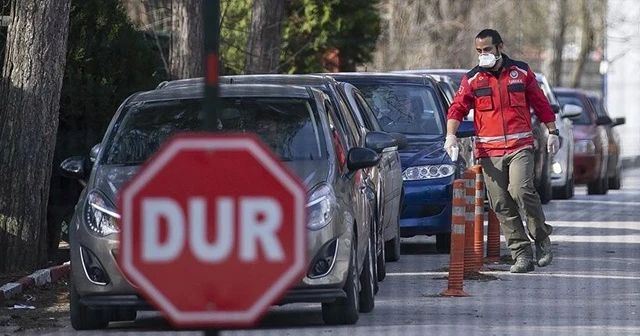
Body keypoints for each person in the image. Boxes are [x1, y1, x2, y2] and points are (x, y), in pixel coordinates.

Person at [444, 29, 560, 273]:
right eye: (478, 51)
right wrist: (450, 136)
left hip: (520, 146)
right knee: (500, 204)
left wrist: (553, 131)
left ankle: (540, 237)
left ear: (500, 47)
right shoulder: (473, 79)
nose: (483, 55)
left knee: (521, 190)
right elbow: (457, 108)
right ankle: (521, 255)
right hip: (489, 150)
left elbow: (540, 102)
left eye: (487, 49)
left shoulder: (521, 73)